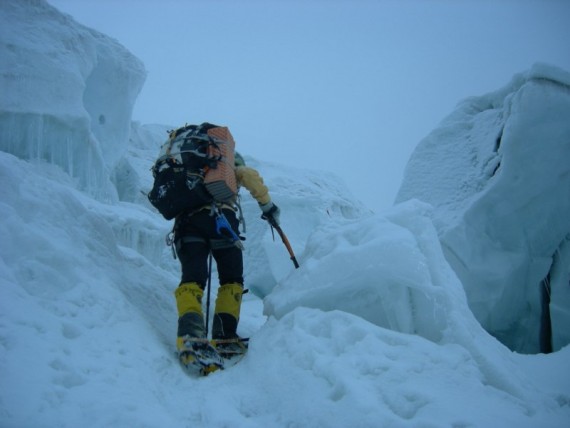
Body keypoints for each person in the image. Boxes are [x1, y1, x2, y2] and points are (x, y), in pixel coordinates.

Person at [173, 151, 280, 356]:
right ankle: (224, 336)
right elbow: (248, 175)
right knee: (231, 280)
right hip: (220, 222)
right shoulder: (229, 169)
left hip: (186, 226)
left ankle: (190, 334)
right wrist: (267, 206)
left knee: (192, 279)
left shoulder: (190, 173)